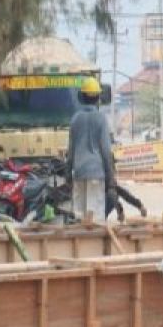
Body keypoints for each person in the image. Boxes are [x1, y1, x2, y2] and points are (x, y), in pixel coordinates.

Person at [67, 77, 115, 222]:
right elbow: (106, 151)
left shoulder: (75, 119)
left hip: (79, 172)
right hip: (96, 173)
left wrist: (68, 173)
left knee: (79, 217)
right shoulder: (101, 119)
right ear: (98, 98)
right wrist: (110, 177)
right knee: (95, 218)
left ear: (82, 97)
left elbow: (71, 151)